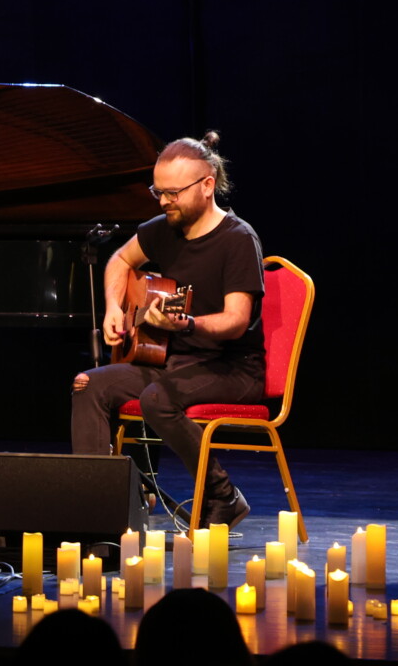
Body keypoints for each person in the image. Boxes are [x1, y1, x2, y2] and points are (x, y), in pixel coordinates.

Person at [70, 131, 263, 528]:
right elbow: (120, 260)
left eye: (173, 193)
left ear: (207, 185)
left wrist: (186, 323)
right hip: (170, 362)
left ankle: (222, 495)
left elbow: (235, 320)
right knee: (88, 385)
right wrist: (112, 308)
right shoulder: (164, 228)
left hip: (232, 369)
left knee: (159, 399)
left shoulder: (238, 240)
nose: (163, 201)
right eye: (158, 191)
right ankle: (97, 506)